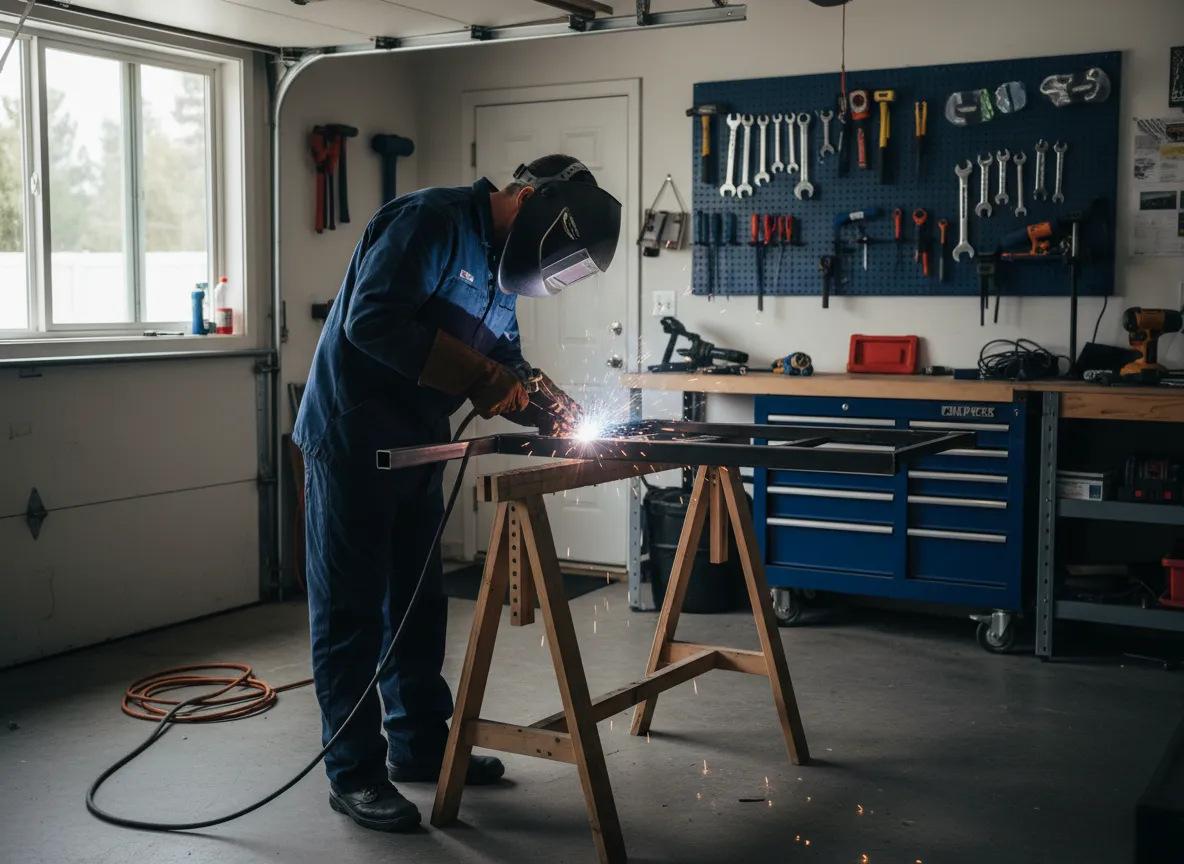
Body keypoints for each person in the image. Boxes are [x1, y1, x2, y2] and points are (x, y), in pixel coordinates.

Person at [292, 155, 622, 833]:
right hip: (353, 439)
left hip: (419, 445)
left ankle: (420, 745)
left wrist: (559, 412)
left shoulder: (502, 267)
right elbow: (371, 322)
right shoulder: (429, 222)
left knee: (417, 603)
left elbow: (505, 362)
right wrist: (478, 376)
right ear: (530, 200)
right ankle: (353, 774)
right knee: (353, 612)